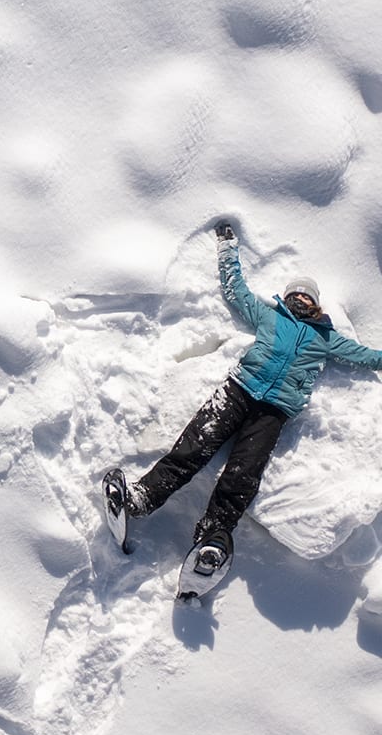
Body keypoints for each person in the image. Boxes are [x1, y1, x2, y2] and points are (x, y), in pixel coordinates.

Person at [105, 221, 382, 571]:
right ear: (287, 297)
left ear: (314, 305)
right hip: (238, 389)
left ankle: (212, 538)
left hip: (274, 411)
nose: (299, 299)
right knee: (193, 448)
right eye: (295, 294)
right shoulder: (269, 315)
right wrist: (227, 248)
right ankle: (141, 498)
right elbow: (236, 290)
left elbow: (367, 356)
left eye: (306, 296)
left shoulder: (325, 338)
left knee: (243, 475)